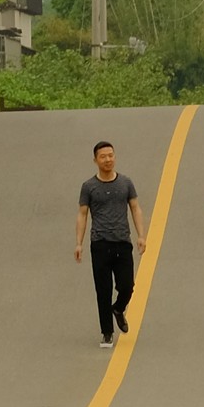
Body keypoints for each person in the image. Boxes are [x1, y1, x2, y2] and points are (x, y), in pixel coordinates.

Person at [72, 140, 147, 347]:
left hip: (123, 242)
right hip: (100, 244)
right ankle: (107, 332)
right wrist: (78, 243)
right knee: (102, 290)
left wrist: (141, 235)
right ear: (95, 160)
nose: (108, 159)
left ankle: (118, 308)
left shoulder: (126, 182)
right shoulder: (89, 186)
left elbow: (135, 208)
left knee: (127, 286)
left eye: (111, 155)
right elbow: (82, 214)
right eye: (103, 156)